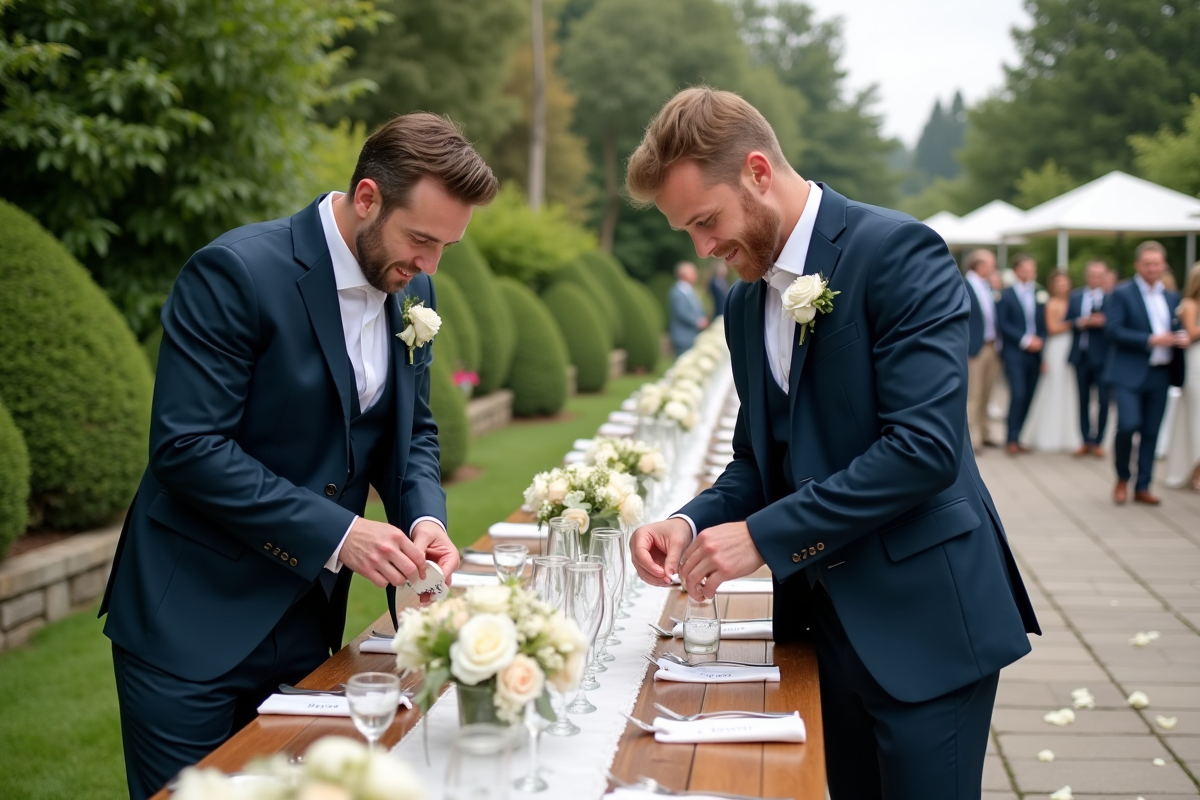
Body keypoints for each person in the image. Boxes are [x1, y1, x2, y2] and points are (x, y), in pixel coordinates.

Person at [625, 87, 1038, 800]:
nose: (702, 247)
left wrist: (762, 536)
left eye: (706, 221)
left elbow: (922, 449)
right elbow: (761, 460)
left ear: (757, 172)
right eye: (687, 231)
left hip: (925, 620)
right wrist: (689, 521)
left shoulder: (899, 252)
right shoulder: (744, 301)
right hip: (821, 628)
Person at [99, 113, 487, 799]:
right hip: (191, 625)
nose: (430, 266)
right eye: (421, 239)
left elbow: (411, 433)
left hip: (309, 626)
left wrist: (425, 519)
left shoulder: (413, 290)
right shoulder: (236, 272)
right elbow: (188, 449)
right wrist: (342, 534)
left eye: (446, 246)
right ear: (366, 197)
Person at [1105, 241, 1188, 505]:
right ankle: (1122, 477)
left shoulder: (1172, 297)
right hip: (1128, 372)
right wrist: (1151, 339)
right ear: (1138, 265)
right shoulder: (1122, 293)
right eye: (1148, 263)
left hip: (1161, 374)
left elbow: (1176, 328)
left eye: (1157, 263)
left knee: (1151, 432)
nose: (1153, 268)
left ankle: (1143, 485)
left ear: (1164, 265)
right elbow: (1113, 331)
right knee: (1128, 425)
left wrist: (1181, 337)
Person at [1022, 271, 1081, 452]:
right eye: (1058, 283)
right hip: (1056, 348)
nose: (1062, 286)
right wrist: (1074, 323)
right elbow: (1052, 329)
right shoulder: (1052, 303)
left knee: (1068, 388)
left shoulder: (1073, 301)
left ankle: (1069, 434)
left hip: (1071, 347)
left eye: (1065, 283)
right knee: (1053, 387)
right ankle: (1048, 434)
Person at [997, 254, 1047, 454]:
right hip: (1015, 352)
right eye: (1026, 269)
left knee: (1029, 396)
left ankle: (1019, 437)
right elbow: (1003, 323)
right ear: (1017, 270)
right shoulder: (1005, 295)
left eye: (1032, 269)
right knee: (1018, 394)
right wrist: (1025, 340)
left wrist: (1041, 340)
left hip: (1036, 353)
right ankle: (1010, 438)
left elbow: (1044, 321)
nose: (1030, 273)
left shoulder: (1040, 292)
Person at [1064, 260, 1112, 456]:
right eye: (1092, 274)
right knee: (1082, 400)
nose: (1095, 278)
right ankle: (1085, 440)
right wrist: (1079, 322)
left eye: (1099, 275)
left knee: (1103, 400)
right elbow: (1067, 320)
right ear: (1087, 276)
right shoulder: (1075, 296)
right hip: (1081, 355)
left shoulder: (1112, 298)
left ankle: (1099, 441)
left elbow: (1117, 325)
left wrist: (1104, 322)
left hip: (1103, 358)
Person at [1165, 263, 1200, 490]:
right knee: (1196, 417)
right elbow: (1191, 333)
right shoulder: (1189, 304)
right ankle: (1196, 469)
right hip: (1196, 363)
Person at [964, 249, 1001, 453]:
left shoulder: (988, 286)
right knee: (975, 395)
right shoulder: (964, 285)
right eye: (991, 264)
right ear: (979, 265)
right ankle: (973, 437)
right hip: (975, 348)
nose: (994, 268)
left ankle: (985, 432)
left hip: (992, 346)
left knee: (988, 392)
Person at [668, 260, 709, 354]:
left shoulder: (689, 289)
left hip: (692, 335)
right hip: (683, 337)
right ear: (685, 275)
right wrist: (698, 322)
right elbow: (681, 312)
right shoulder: (677, 292)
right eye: (693, 272)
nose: (696, 275)